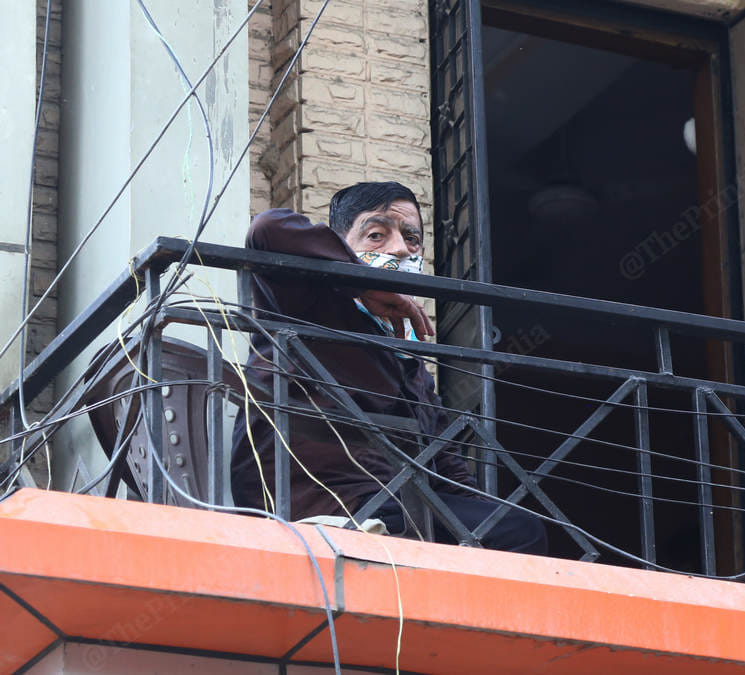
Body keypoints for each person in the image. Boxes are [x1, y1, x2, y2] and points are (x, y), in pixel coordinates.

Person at [231, 181, 546, 554]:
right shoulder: (307, 302)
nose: (399, 248)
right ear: (342, 245)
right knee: (512, 532)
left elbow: (446, 469)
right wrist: (361, 284)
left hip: (389, 504)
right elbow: (267, 230)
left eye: (411, 239)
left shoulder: (409, 366)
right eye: (377, 234)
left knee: (513, 529)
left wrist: (488, 515)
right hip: (310, 500)